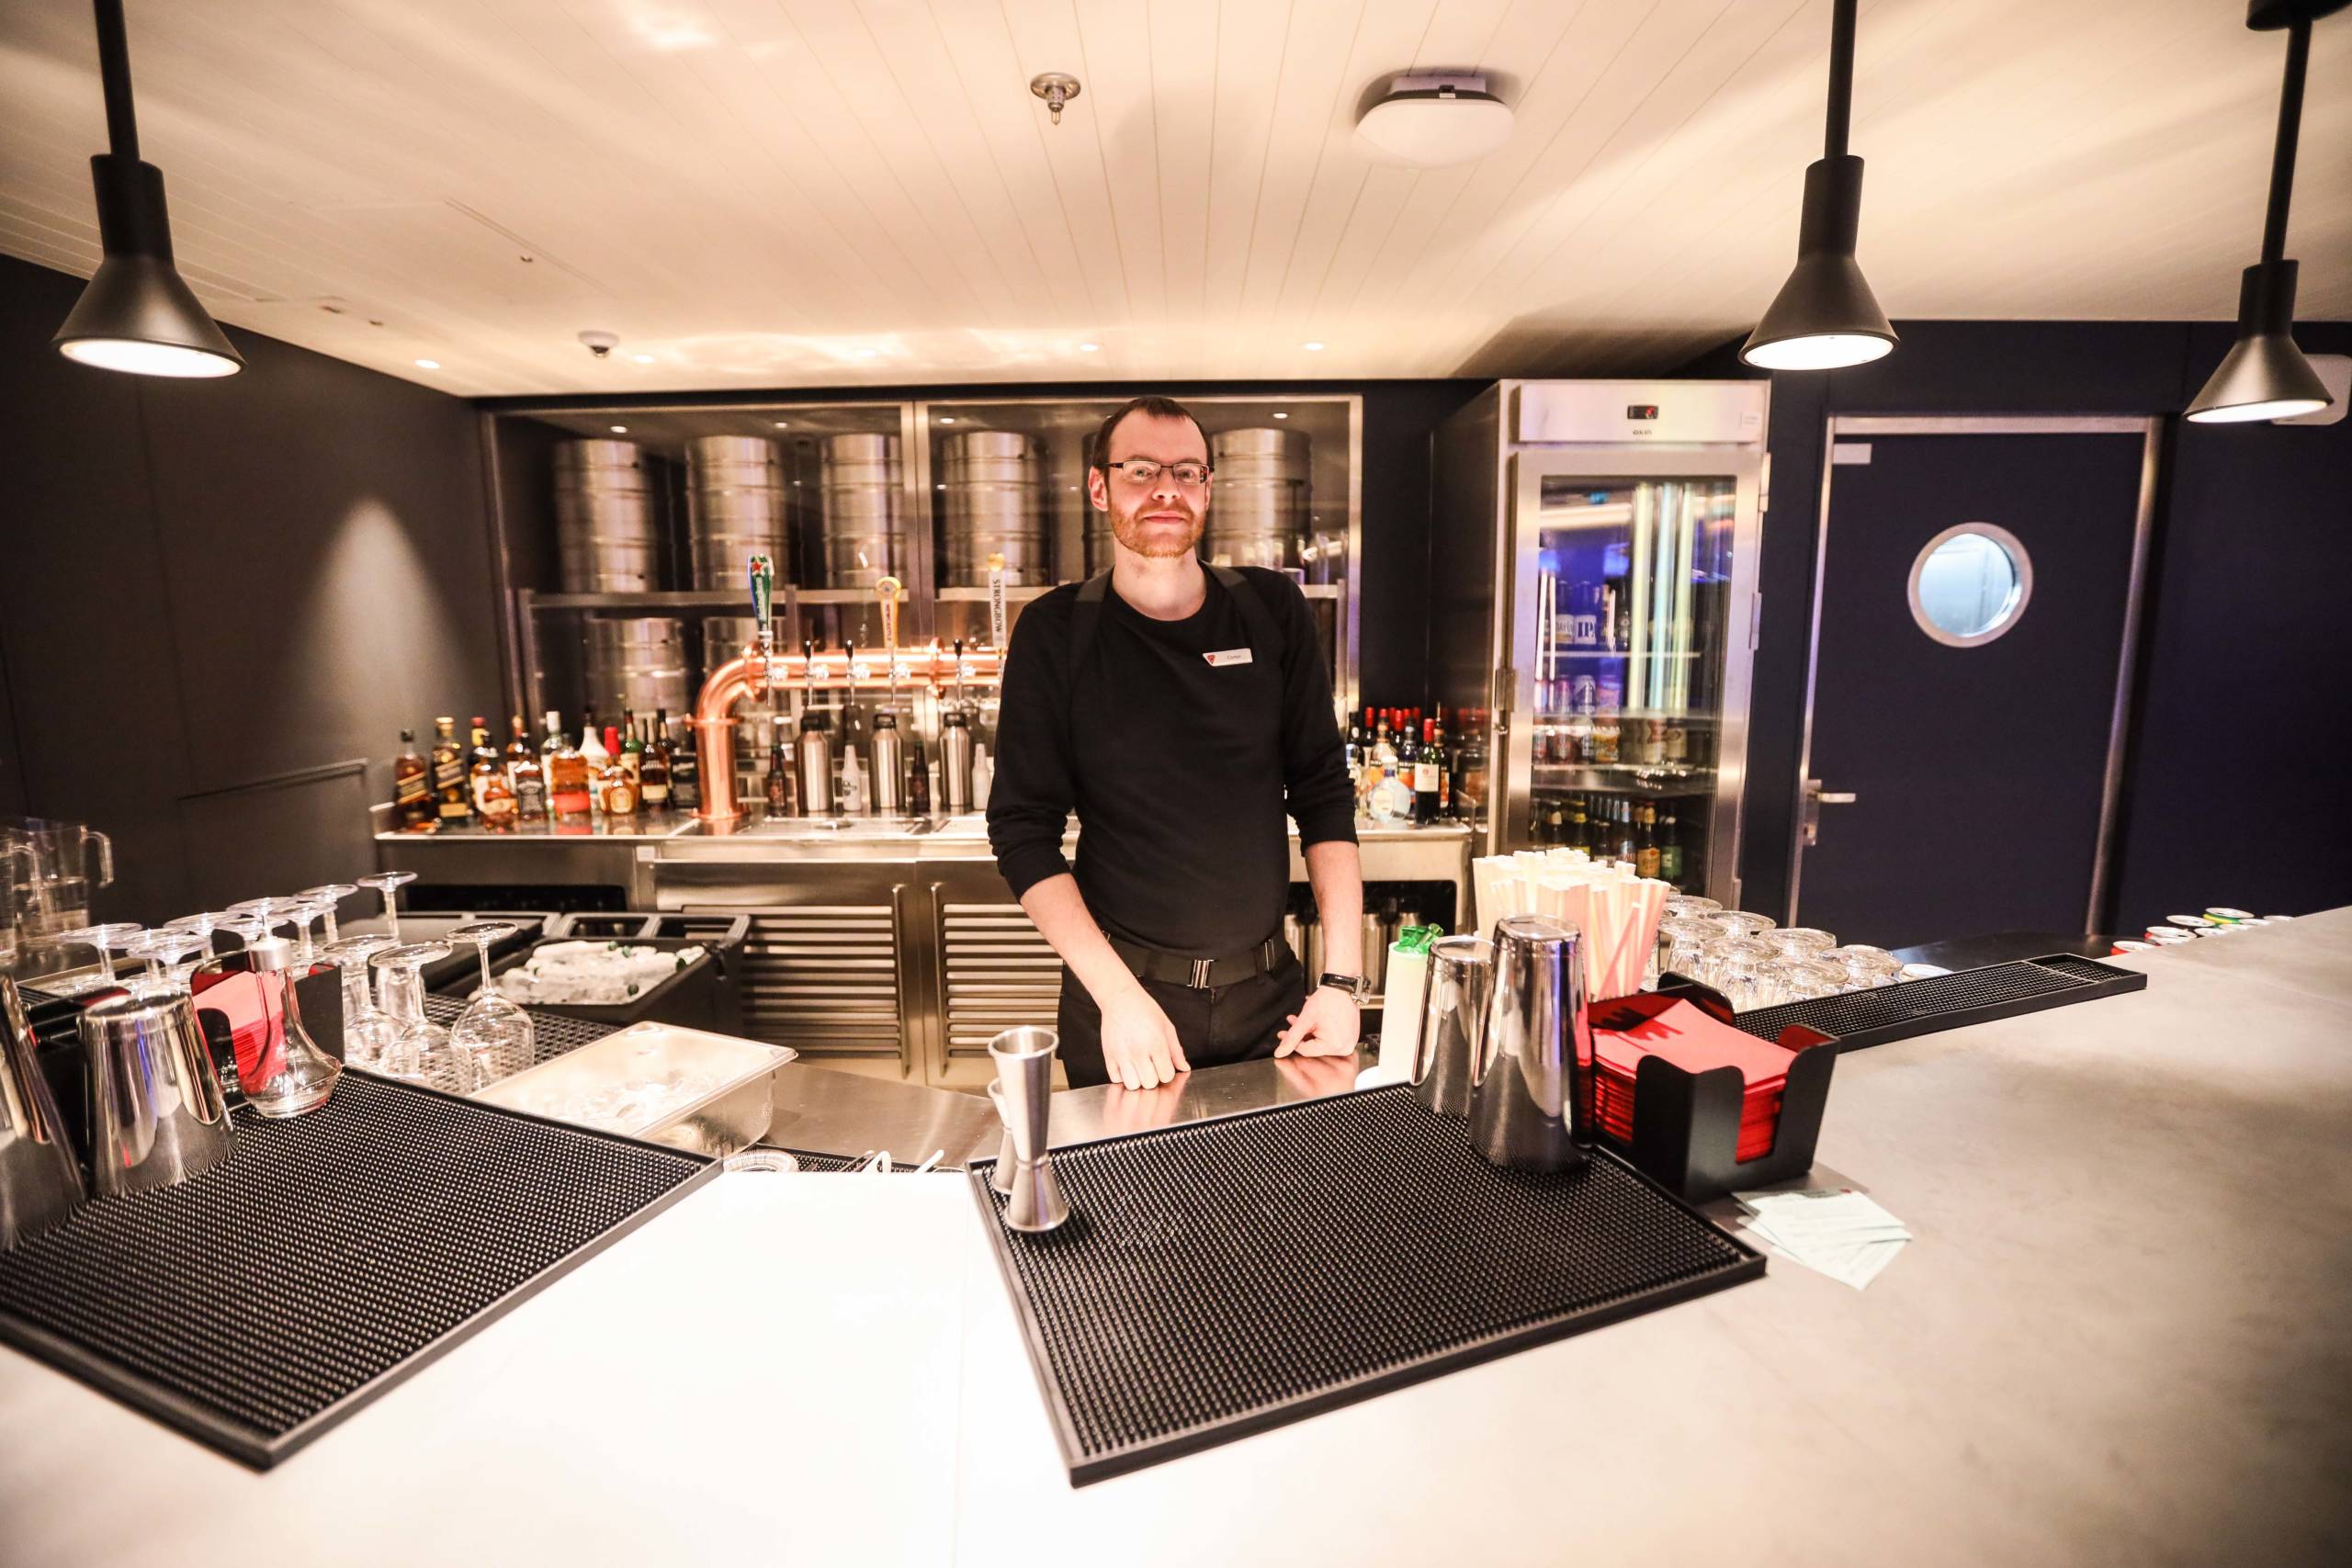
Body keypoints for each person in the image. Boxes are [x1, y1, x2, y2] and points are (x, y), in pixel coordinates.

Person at [986, 395, 1366, 1090]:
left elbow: (1322, 791)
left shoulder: (1270, 609)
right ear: (1099, 487)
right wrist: (1117, 997)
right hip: (1126, 1010)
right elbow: (1021, 830)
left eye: (1187, 471)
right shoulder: (1056, 632)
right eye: (1140, 470)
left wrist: (1342, 981)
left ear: (1207, 489)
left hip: (1274, 1010)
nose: (1166, 488)